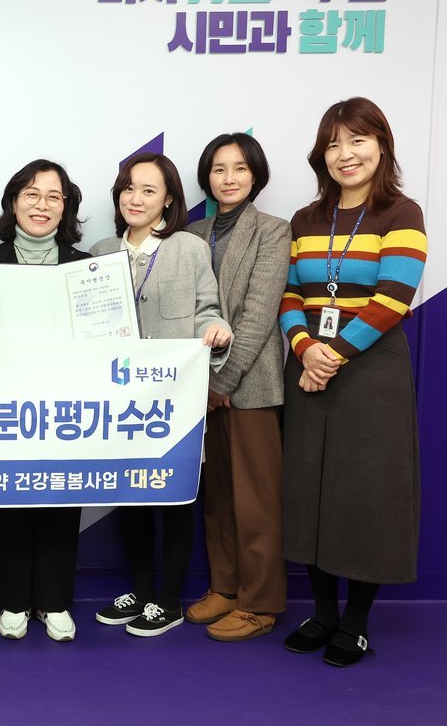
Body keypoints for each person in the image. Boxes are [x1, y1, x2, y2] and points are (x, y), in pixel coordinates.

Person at [279, 97, 427, 667]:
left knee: (365, 493)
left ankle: (357, 621)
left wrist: (332, 355)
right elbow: (291, 293)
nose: (345, 154)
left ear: (381, 146)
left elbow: (394, 298)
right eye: (333, 144)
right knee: (310, 489)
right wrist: (305, 348)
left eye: (358, 140)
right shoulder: (306, 219)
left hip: (371, 369)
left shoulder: (402, 213)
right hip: (310, 363)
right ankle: (322, 613)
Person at [90, 152, 232, 637]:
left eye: (149, 190)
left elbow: (208, 309)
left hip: (173, 400)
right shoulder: (100, 250)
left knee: (172, 499)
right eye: (129, 188)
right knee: (129, 498)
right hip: (116, 400)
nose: (136, 198)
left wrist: (216, 329)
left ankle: (167, 600)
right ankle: (140, 589)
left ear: (169, 199)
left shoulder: (188, 247)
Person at [185, 134, 292, 641]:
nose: (229, 178)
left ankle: (260, 602)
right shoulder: (193, 233)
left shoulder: (273, 230)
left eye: (240, 168)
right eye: (219, 168)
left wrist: (223, 381)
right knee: (218, 495)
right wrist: (202, 384)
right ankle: (226, 587)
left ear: (256, 175)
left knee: (256, 500)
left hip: (250, 385)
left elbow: (258, 315)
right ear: (207, 176)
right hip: (197, 387)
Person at [0, 159, 88, 642]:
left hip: (68, 404)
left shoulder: (85, 266)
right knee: (10, 497)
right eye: (31, 194)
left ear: (65, 206)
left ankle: (55, 600)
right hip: (4, 402)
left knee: (61, 495)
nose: (41, 205)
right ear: (13, 202)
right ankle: (13, 600)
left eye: (53, 196)